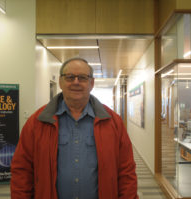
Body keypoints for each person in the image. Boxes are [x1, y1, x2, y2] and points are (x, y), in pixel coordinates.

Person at [10, 57, 138, 199]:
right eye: (70, 77)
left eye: (82, 78)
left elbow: (126, 172)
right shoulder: (37, 122)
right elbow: (22, 171)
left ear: (92, 83)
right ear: (60, 81)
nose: (76, 82)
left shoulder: (113, 122)